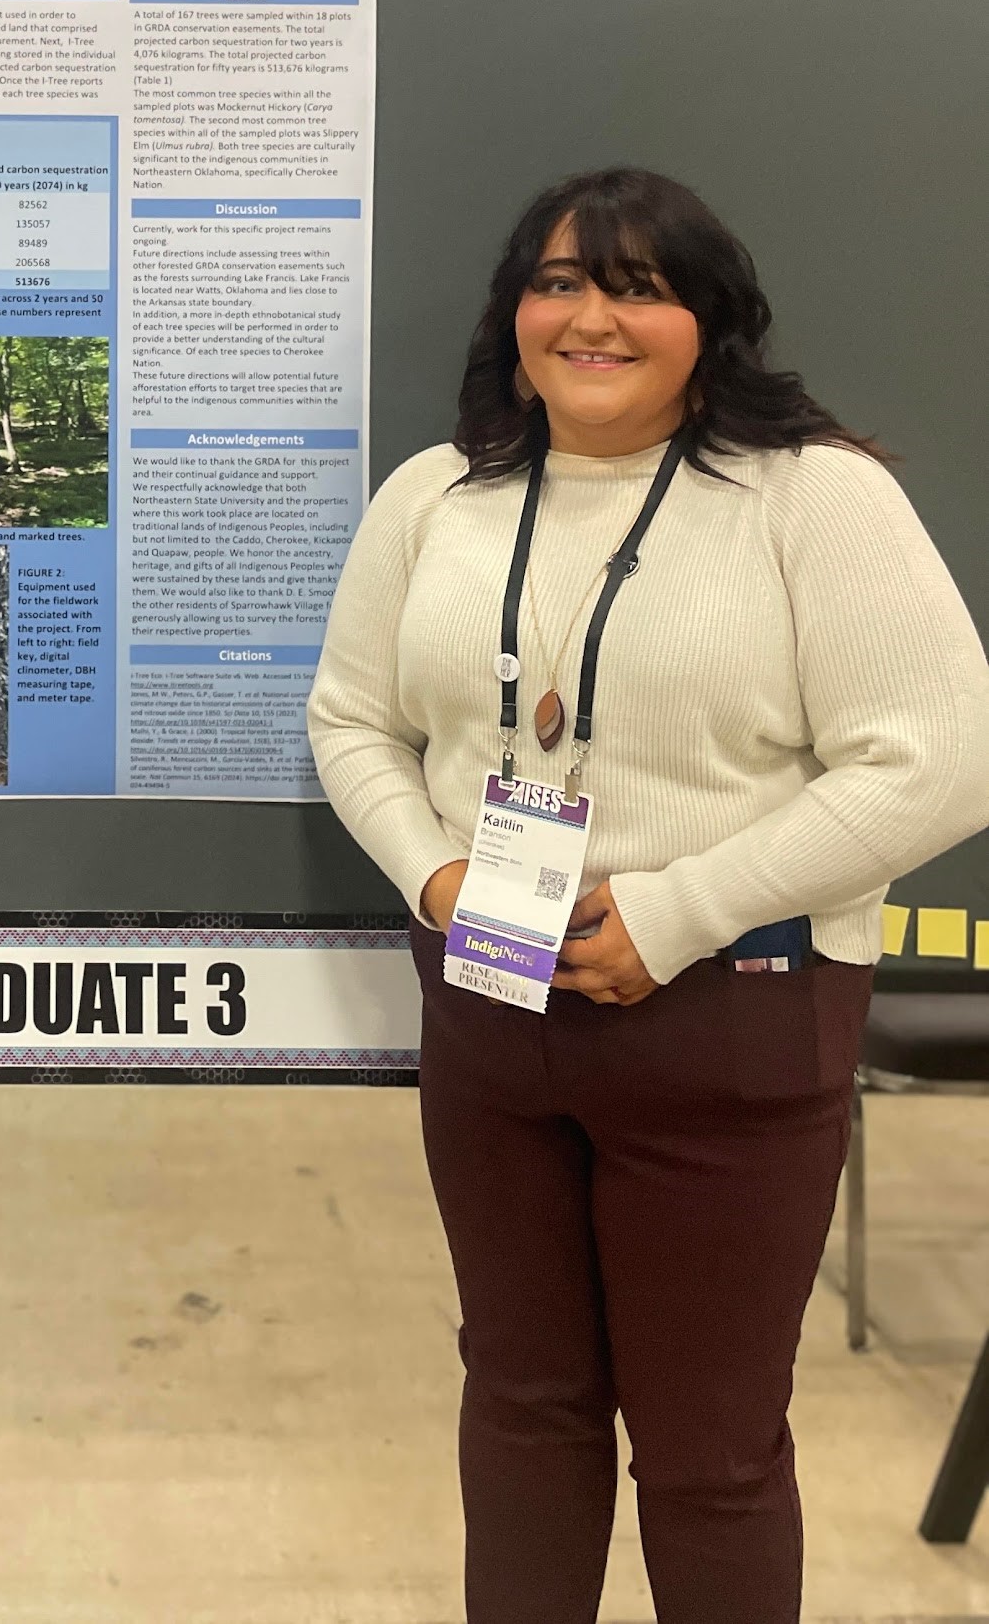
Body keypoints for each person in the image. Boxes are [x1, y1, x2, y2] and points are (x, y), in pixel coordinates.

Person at [308, 166, 989, 1624]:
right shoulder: (437, 495)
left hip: (734, 1015)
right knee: (524, 1402)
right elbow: (351, 721)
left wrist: (678, 913)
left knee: (710, 1450)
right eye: (559, 282)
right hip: (491, 993)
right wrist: (437, 878)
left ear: (709, 321)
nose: (592, 317)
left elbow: (942, 763)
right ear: (516, 312)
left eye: (637, 286)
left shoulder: (814, 496)